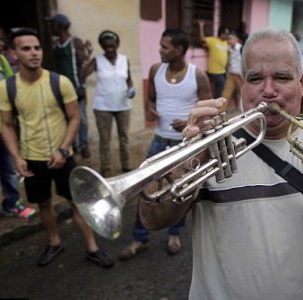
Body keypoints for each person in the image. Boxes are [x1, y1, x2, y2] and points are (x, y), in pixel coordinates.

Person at [139, 27, 303, 299]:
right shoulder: (208, 143)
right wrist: (188, 161)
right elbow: (150, 218)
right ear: (241, 82)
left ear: (302, 83)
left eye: (282, 77)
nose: (268, 91)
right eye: (255, 78)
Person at [0, 28, 113, 268]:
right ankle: (54, 242)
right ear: (14, 53)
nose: (33, 53)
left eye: (37, 48)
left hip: (63, 156)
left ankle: (92, 246)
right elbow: (7, 124)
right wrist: (16, 157)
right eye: (26, 49)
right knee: (43, 203)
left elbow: (74, 118)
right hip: (31, 159)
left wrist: (63, 149)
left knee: (77, 202)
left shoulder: (59, 82)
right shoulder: (6, 88)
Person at [119, 29, 211, 260]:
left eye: (164, 47)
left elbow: (209, 113)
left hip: (184, 145)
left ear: (178, 50)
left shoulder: (197, 76)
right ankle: (140, 238)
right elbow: (151, 98)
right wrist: (150, 109)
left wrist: (190, 123)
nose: (159, 50)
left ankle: (174, 234)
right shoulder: (155, 70)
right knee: (146, 192)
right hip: (159, 142)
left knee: (179, 192)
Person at [80, 30, 134, 178]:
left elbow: (128, 79)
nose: (109, 49)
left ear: (117, 45)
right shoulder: (97, 60)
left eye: (112, 46)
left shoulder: (124, 59)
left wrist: (131, 89)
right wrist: (87, 55)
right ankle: (106, 168)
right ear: (102, 46)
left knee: (124, 137)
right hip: (103, 107)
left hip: (123, 105)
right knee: (105, 139)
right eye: (106, 46)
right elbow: (83, 75)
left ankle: (126, 164)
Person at [0, 24, 36, 218]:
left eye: (1, 39)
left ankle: (12, 203)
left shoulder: (3, 61)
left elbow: (11, 85)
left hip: (3, 126)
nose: (1, 43)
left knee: (8, 168)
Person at [47, 13, 92, 159]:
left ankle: (84, 145)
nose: (51, 27)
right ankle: (72, 145)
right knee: (66, 118)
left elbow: (83, 64)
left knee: (82, 118)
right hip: (61, 88)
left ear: (60, 25)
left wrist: (82, 85)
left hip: (76, 87)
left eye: (53, 24)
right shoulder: (55, 46)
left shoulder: (75, 43)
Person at [197, 19, 229, 99]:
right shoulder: (212, 40)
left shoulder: (225, 42)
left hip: (223, 70)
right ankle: (216, 101)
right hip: (214, 70)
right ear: (221, 34)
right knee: (221, 84)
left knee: (220, 87)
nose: (227, 36)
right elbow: (202, 39)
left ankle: (217, 100)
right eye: (226, 34)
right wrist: (201, 26)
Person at [220, 30, 242, 113]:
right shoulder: (228, 49)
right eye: (228, 39)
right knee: (226, 94)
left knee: (242, 94)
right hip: (231, 75)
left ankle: (245, 112)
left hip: (239, 75)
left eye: (230, 39)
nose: (228, 41)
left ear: (236, 39)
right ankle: (220, 113)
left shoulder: (241, 48)